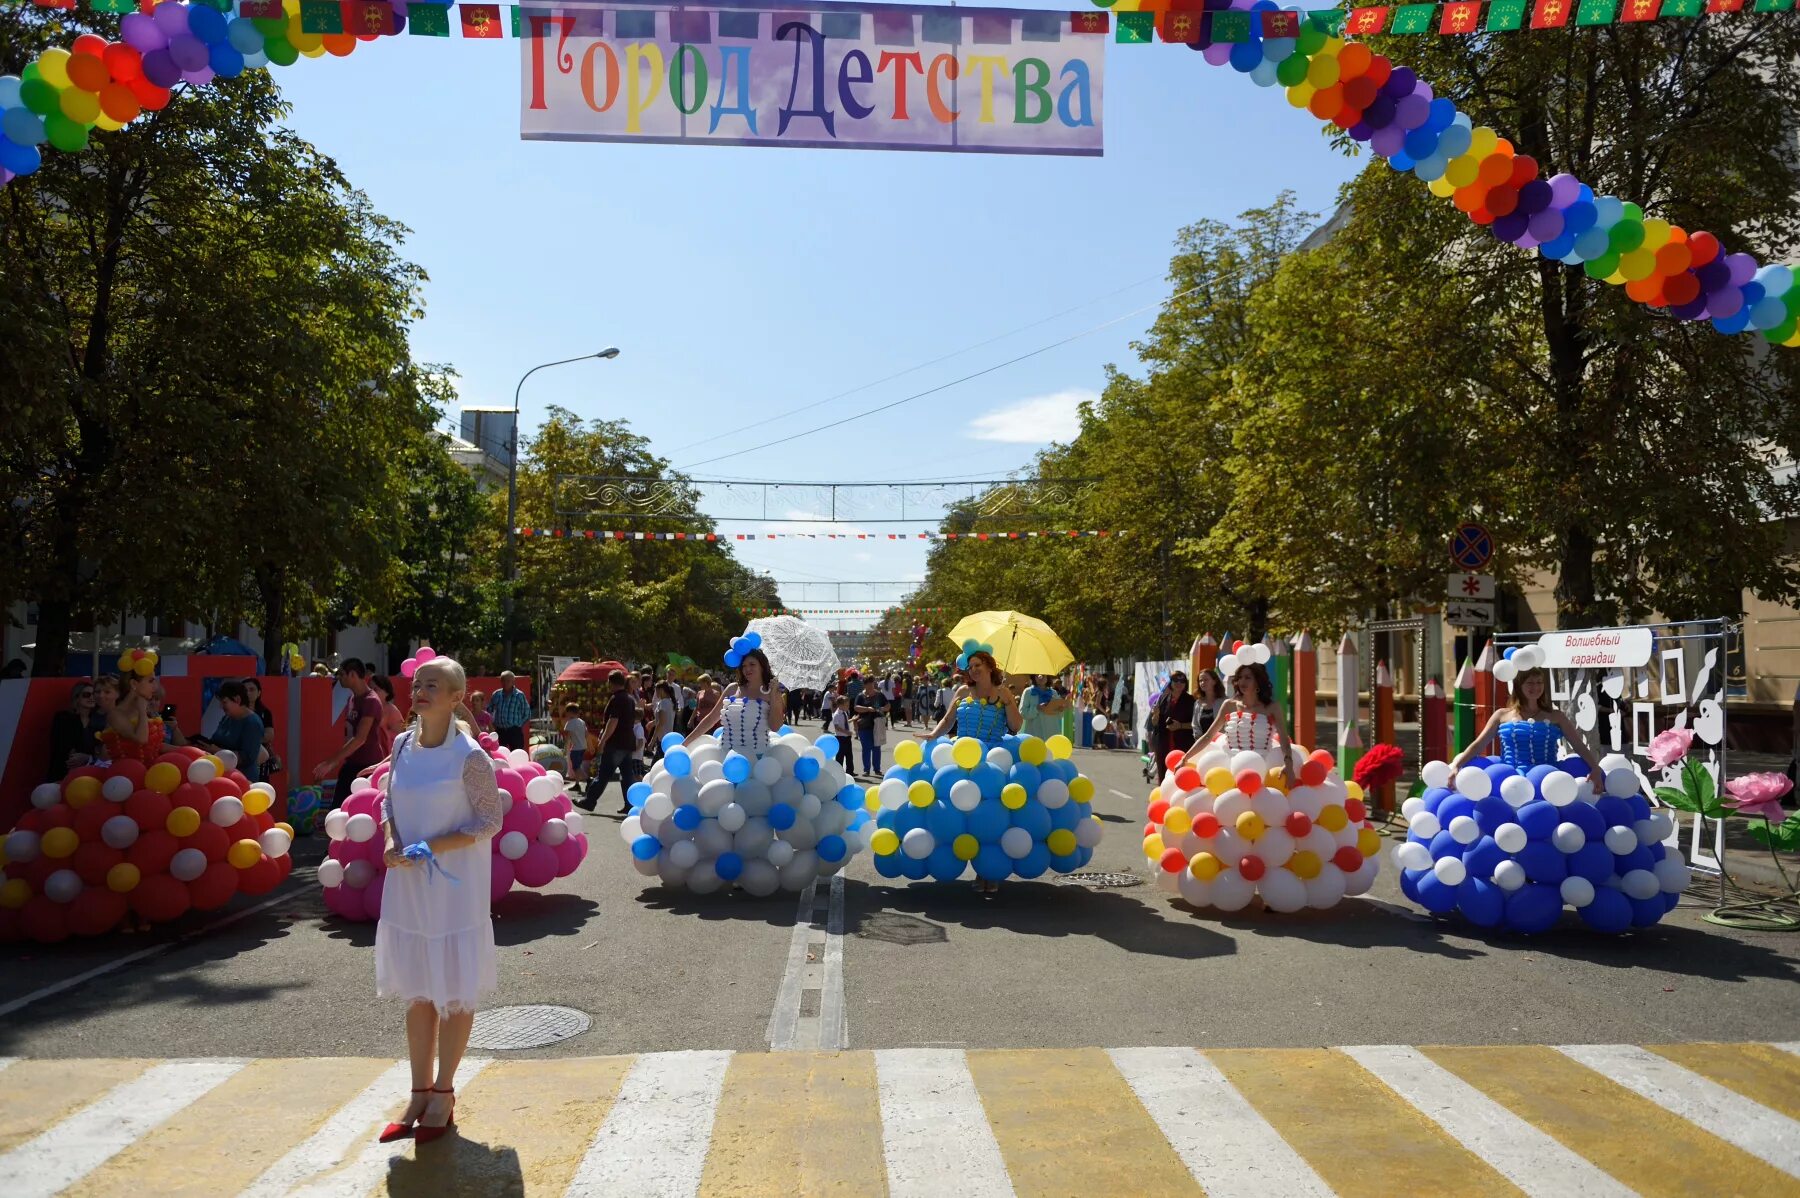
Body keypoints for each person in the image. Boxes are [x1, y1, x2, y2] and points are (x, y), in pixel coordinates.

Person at [373, 655, 501, 1147]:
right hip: (407, 884)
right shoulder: (402, 744)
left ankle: (444, 1093)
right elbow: (388, 800)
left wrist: (432, 847)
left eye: (434, 685)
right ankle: (417, 1091)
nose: (421, 690)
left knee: (453, 988)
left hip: (452, 888)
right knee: (418, 990)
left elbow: (490, 821)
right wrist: (390, 839)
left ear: (456, 698)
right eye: (418, 683)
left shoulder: (470, 756)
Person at [928, 650, 1024, 892]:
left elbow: (1015, 726)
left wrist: (1010, 700)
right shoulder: (962, 691)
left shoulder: (1003, 694)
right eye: (970, 666)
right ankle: (971, 866)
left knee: (990, 817)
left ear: (990, 666)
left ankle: (988, 871)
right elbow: (948, 721)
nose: (973, 670)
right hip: (961, 758)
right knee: (961, 815)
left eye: (978, 664)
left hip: (991, 763)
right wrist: (932, 735)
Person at [1450, 665, 1602, 775]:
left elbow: (1578, 745)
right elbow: (1478, 745)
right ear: (1519, 685)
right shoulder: (1501, 715)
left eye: (1539, 682)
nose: (1535, 687)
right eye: (1530, 682)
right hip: (1511, 781)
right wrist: (1457, 765)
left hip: (1548, 779)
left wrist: (1595, 768)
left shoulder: (1557, 716)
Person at [1183, 661, 1300, 782]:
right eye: (1240, 678)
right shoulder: (1229, 705)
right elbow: (1208, 736)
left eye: (1248, 677)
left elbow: (1284, 739)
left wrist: (1289, 764)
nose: (1242, 681)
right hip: (1231, 769)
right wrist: (1185, 758)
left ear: (1258, 682)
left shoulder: (1272, 707)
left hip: (1264, 769)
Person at [685, 646, 787, 756]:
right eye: (744, 666)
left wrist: (773, 696)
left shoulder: (773, 693)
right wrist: (685, 743)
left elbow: (775, 727)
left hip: (759, 760)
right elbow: (710, 719)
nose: (747, 669)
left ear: (762, 666)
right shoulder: (732, 688)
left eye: (752, 664)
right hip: (726, 756)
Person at [314, 659, 385, 809]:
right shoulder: (353, 698)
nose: (339, 678)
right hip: (352, 763)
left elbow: (360, 738)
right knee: (339, 809)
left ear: (353, 674)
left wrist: (331, 762)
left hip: (367, 765)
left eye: (342, 674)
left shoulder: (370, 701)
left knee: (362, 811)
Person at [582, 670, 640, 814]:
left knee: (603, 775)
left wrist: (602, 741)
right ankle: (630, 803)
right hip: (627, 742)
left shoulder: (616, 699)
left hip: (616, 743)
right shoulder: (629, 698)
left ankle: (590, 800)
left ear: (611, 683)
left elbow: (613, 721)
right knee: (627, 776)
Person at [197, 680, 266, 772]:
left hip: (242, 777)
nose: (221, 706)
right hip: (222, 771)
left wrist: (217, 751)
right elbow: (215, 741)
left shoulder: (252, 723)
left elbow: (246, 758)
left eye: (224, 702)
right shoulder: (227, 718)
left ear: (237, 699)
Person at [102, 670, 164, 763]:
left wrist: (184, 749)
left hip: (149, 771)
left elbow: (155, 745)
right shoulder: (116, 714)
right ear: (134, 683)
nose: (155, 687)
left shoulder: (141, 708)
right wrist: (142, 711)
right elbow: (141, 739)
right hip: (127, 773)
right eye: (150, 681)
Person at [46, 680, 103, 781]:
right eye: (86, 695)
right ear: (77, 698)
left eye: (94, 694)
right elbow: (59, 745)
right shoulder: (63, 718)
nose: (91, 697)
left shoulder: (99, 720)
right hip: (64, 770)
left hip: (91, 772)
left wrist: (88, 757)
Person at [1146, 671, 1196, 781]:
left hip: (1183, 746)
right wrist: (1156, 714)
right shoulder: (1162, 698)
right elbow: (1155, 723)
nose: (1179, 683)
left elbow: (1196, 724)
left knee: (1181, 777)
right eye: (1175, 680)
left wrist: (1180, 726)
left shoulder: (1191, 700)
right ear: (1170, 682)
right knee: (1163, 778)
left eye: (1182, 681)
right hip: (1164, 745)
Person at [243, 678, 279, 781]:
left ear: (259, 693)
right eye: (245, 690)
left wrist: (249, 740)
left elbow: (269, 735)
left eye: (252, 689)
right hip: (241, 757)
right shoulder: (235, 712)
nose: (248, 693)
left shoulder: (264, 712)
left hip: (260, 756)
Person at [488, 672, 530, 751]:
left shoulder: (519, 695)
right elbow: (489, 709)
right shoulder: (496, 694)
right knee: (499, 753)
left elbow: (527, 713)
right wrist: (493, 723)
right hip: (500, 731)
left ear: (513, 682)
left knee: (517, 754)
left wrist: (518, 725)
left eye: (508, 681)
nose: (505, 683)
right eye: (503, 680)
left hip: (514, 731)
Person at [1019, 674, 1067, 742]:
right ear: (1034, 678)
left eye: (1043, 675)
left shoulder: (1053, 692)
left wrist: (1060, 710)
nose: (1040, 677)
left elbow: (1059, 715)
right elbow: (1022, 713)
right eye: (1037, 675)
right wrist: (1037, 708)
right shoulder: (1028, 692)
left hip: (1051, 733)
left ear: (1047, 677)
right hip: (1034, 733)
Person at [854, 678, 886, 777]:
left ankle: (877, 769)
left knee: (877, 747)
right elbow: (856, 707)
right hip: (864, 725)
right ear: (865, 685)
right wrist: (867, 709)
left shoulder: (879, 695)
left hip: (877, 724)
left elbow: (888, 706)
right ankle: (866, 770)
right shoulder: (860, 696)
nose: (872, 687)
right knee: (866, 748)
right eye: (869, 685)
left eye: (873, 685)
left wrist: (880, 708)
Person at [370, 675, 406, 760]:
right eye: (370, 689)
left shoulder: (392, 710)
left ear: (386, 692)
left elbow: (400, 736)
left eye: (376, 689)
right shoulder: (367, 707)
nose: (371, 693)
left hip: (385, 759)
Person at [560, 703, 587, 784]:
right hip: (583, 747)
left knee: (576, 767)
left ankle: (588, 779)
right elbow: (586, 734)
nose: (566, 715)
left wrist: (566, 748)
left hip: (575, 748)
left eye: (567, 713)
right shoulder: (582, 722)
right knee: (577, 765)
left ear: (570, 712)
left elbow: (567, 736)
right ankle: (577, 783)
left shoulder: (570, 723)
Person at [829, 696, 855, 772]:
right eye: (846, 705)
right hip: (840, 738)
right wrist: (847, 732)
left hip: (847, 737)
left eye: (848, 705)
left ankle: (850, 771)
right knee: (840, 755)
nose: (848, 706)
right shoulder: (836, 714)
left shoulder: (844, 713)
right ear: (840, 705)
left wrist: (852, 719)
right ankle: (838, 771)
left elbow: (845, 722)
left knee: (849, 755)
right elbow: (837, 727)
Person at [652, 681, 677, 757]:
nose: (655, 693)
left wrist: (652, 740)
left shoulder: (662, 703)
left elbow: (661, 722)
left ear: (661, 690)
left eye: (656, 690)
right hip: (668, 736)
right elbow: (664, 718)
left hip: (661, 737)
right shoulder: (670, 702)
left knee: (658, 761)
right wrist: (652, 722)